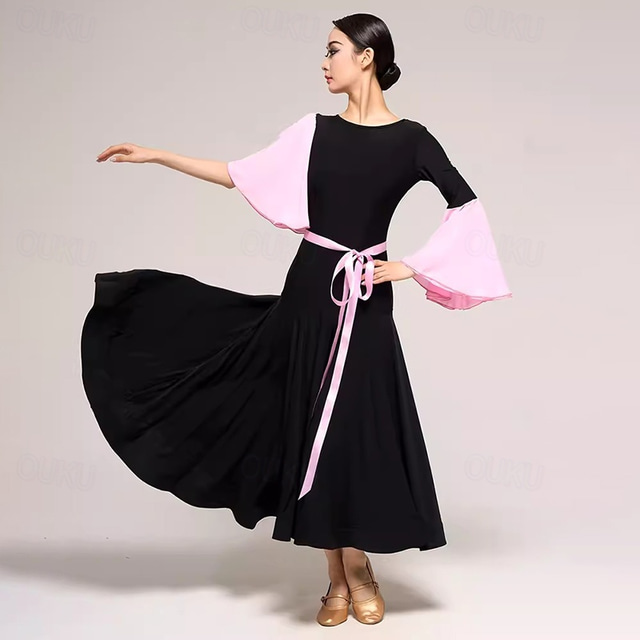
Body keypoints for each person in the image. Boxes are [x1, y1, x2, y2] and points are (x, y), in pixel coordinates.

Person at [82, 12, 511, 627]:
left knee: (352, 424)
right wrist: (158, 156)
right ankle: (338, 575)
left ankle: (357, 568)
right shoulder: (313, 131)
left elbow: (465, 206)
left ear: (366, 57)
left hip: (364, 295)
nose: (323, 62)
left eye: (333, 50)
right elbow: (238, 175)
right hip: (311, 289)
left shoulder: (413, 138)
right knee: (310, 423)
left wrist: (409, 267)